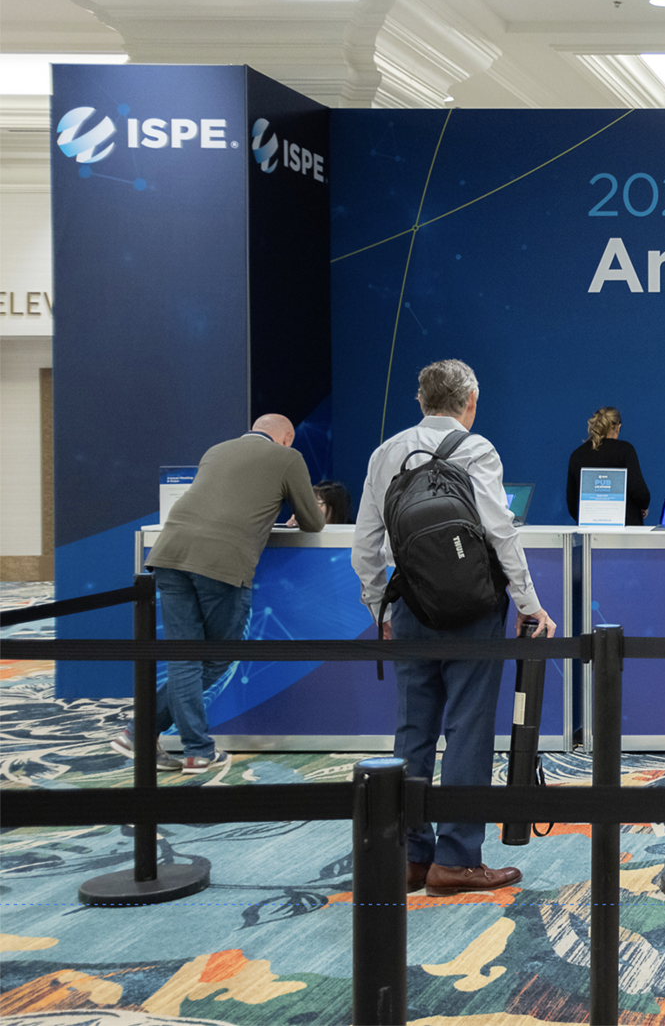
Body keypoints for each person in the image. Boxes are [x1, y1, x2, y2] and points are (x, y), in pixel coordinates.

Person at [353, 359, 556, 896]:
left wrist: (381, 608)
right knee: (468, 728)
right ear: (469, 402)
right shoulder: (477, 449)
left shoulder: (385, 453)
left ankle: (409, 858)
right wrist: (530, 604)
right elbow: (500, 532)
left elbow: (365, 544)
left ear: (422, 402)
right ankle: (458, 860)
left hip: (411, 607)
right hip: (473, 609)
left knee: (411, 730)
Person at [116, 413, 324, 774]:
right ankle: (195, 749)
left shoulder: (217, 450)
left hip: (169, 554)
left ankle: (144, 734)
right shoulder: (288, 458)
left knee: (184, 657)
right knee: (217, 658)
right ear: (287, 437)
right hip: (222, 564)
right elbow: (313, 522)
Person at [566, 406, 652, 525]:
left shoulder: (577, 455)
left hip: (590, 535)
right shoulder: (625, 450)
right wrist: (644, 506)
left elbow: (572, 501)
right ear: (618, 427)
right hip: (625, 533)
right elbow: (639, 490)